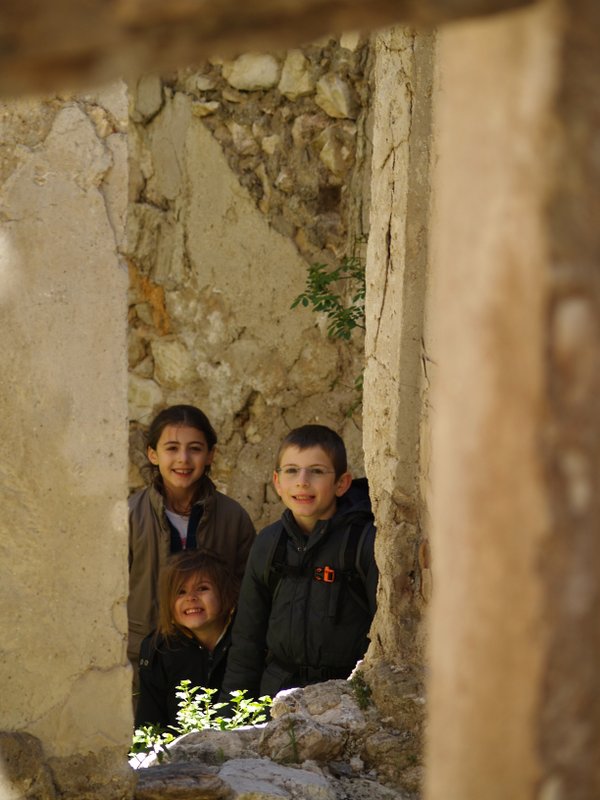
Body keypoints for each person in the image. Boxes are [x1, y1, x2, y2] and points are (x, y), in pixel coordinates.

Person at [220, 424, 378, 700]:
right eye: (291, 470)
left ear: (341, 483)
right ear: (277, 482)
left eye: (316, 471)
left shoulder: (363, 543)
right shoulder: (269, 544)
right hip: (277, 697)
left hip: (345, 699)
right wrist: (230, 719)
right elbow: (247, 640)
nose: (302, 481)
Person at [128, 404, 255, 694]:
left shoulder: (233, 518)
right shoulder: (129, 518)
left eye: (195, 449)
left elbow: (249, 592)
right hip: (144, 660)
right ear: (152, 454)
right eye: (171, 448)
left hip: (214, 663)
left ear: (210, 455)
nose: (183, 459)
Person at [135, 550, 239, 729]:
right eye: (180, 592)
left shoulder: (245, 639)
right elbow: (149, 722)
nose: (191, 598)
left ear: (226, 594)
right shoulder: (159, 648)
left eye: (202, 588)